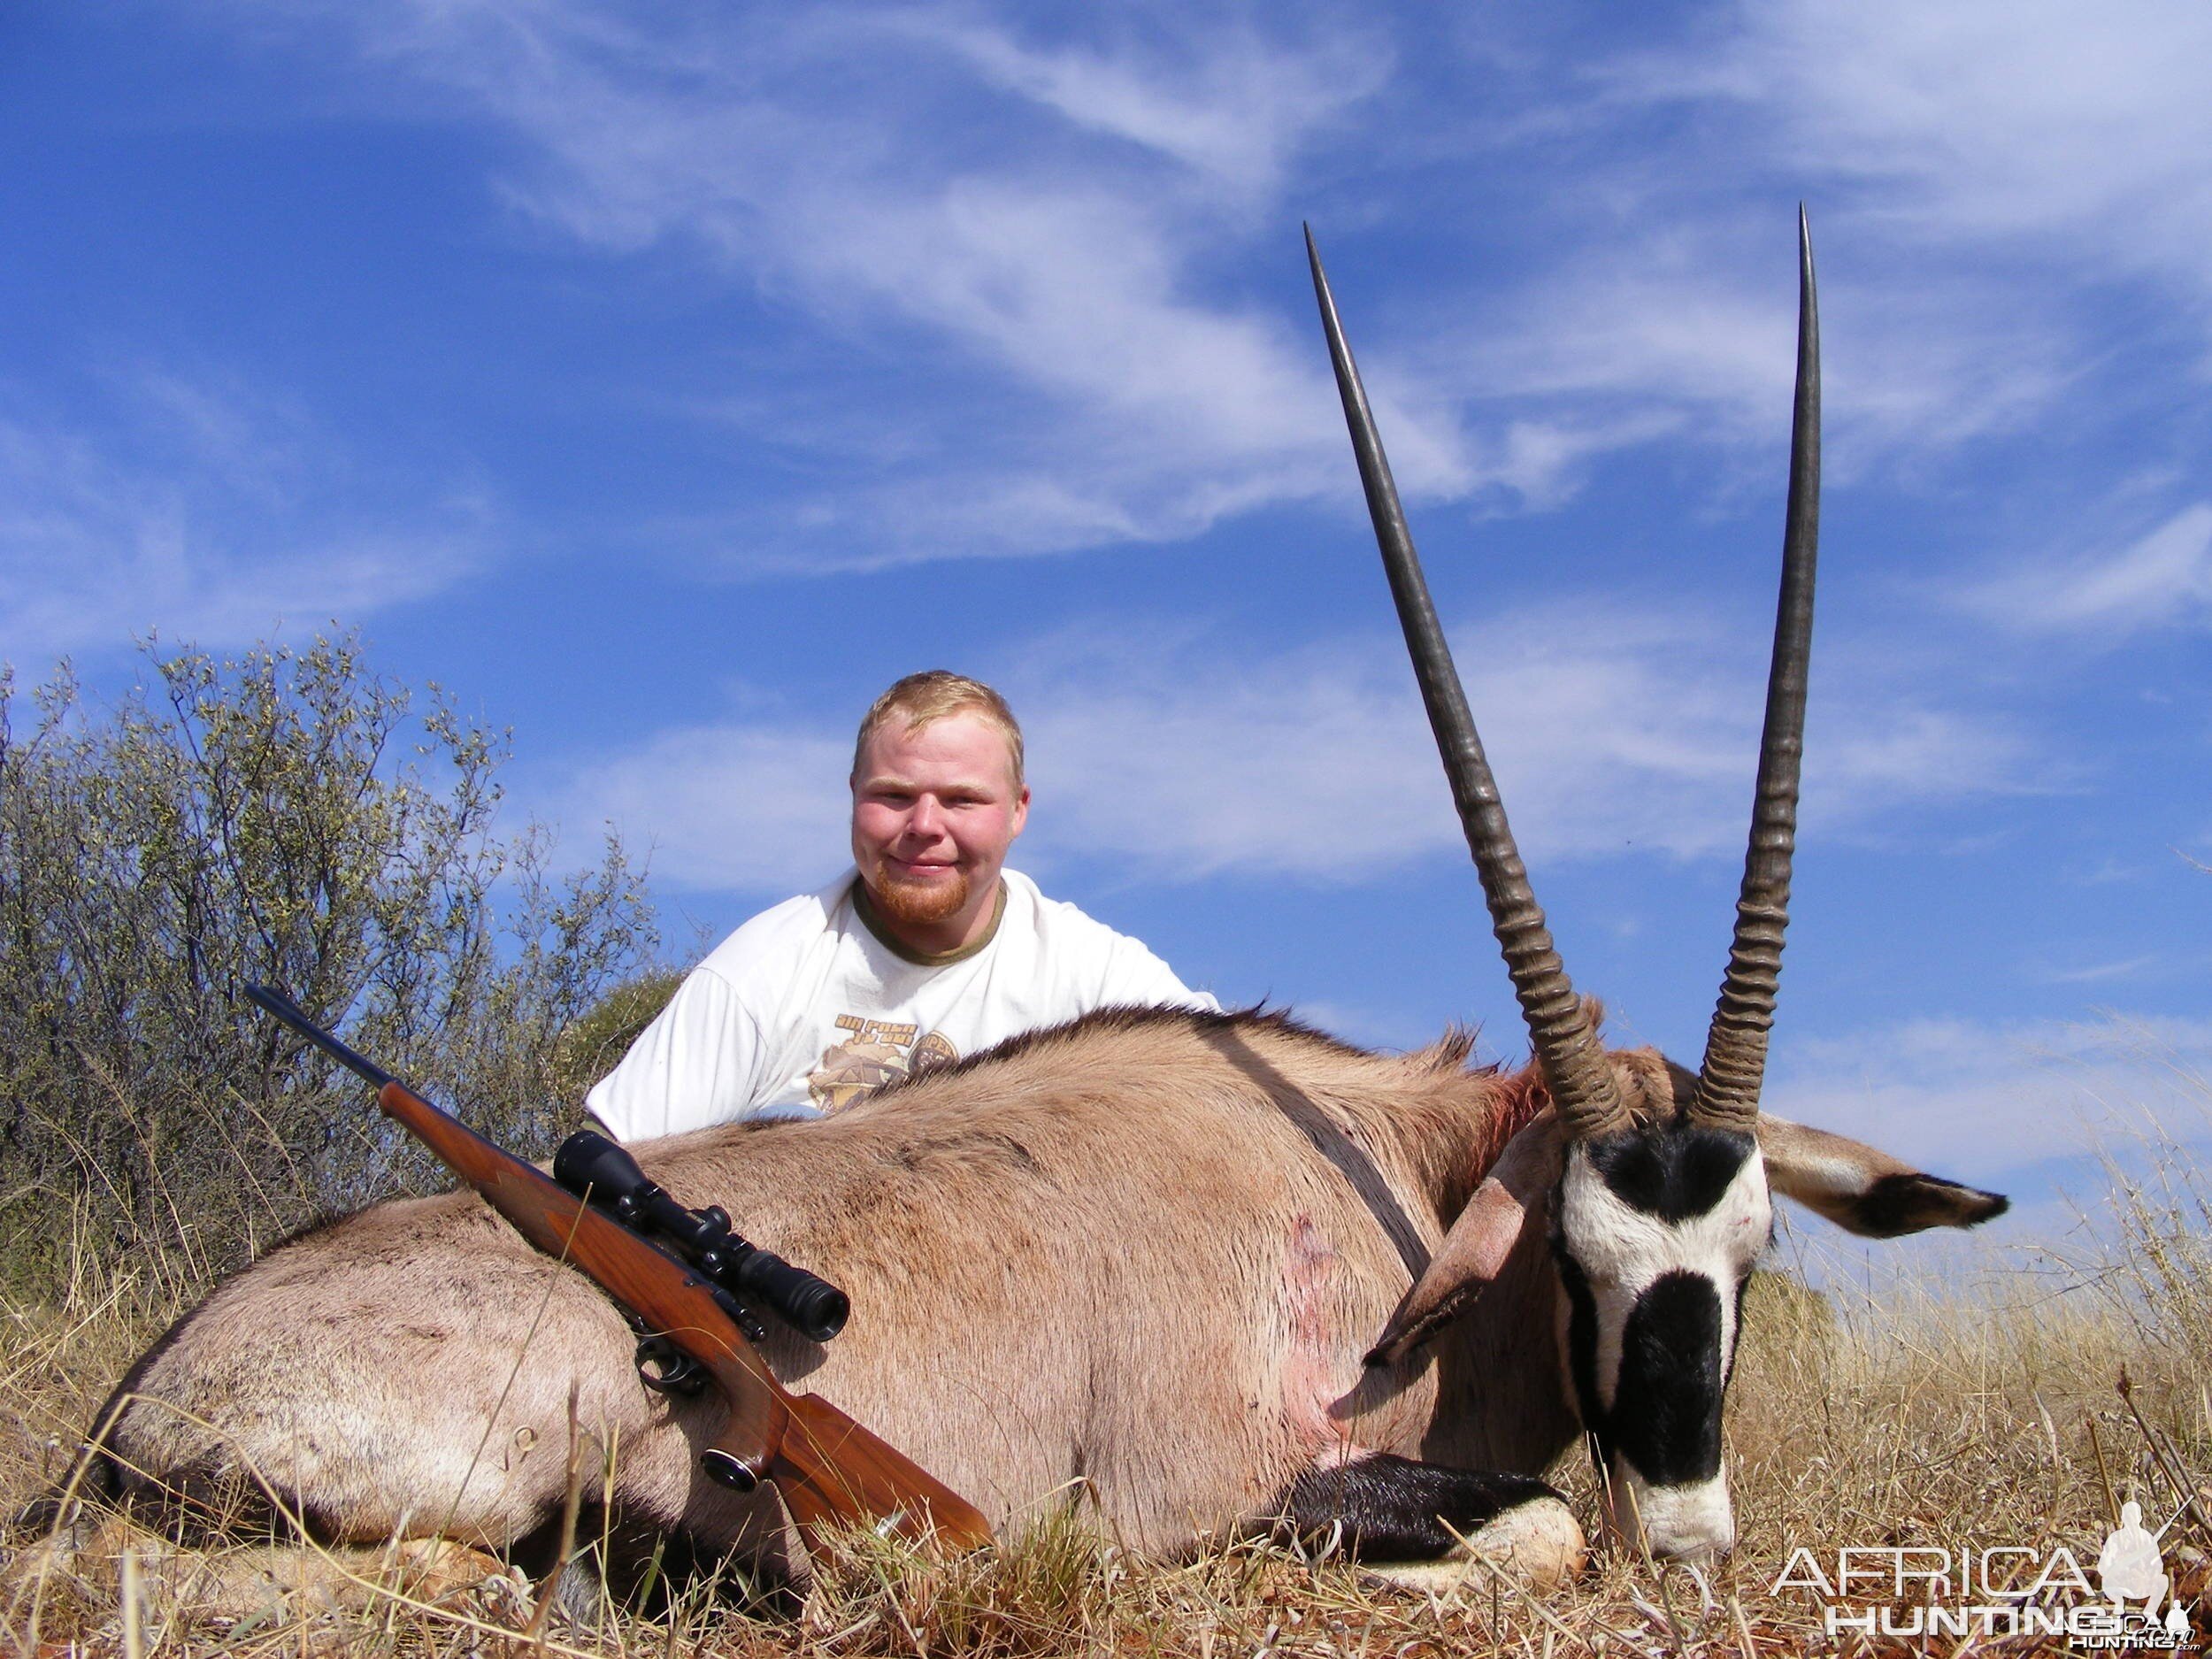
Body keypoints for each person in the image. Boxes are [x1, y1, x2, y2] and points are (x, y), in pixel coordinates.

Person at [588, 671, 1217, 1139]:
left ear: (1019, 809)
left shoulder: (1092, 972)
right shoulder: (763, 968)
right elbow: (605, 1166)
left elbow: (1229, 1097)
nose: (924, 825)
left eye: (962, 800)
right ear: (853, 794)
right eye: (893, 795)